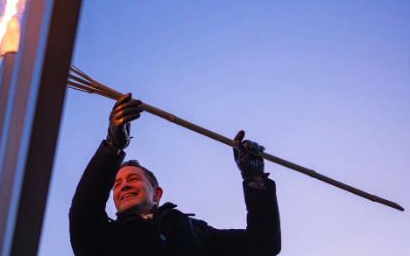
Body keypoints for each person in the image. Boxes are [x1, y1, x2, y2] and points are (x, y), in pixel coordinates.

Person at [69, 93, 281, 256]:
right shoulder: (104, 236)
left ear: (157, 193)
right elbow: (82, 214)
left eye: (133, 178)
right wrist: (113, 146)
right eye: (116, 184)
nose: (123, 185)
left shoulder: (195, 230)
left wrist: (254, 178)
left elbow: (263, 244)